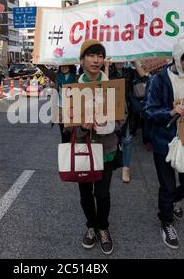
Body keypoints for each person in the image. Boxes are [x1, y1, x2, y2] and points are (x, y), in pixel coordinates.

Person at [145, 35, 184, 250]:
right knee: (167, 185)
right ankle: (166, 221)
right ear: (178, 56)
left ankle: (173, 200)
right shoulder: (159, 79)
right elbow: (149, 111)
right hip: (164, 141)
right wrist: (170, 111)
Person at [72, 39, 123, 255]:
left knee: (102, 194)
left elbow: (122, 119)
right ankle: (91, 226)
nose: (96, 60)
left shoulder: (113, 85)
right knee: (85, 194)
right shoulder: (74, 88)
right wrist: (81, 125)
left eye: (99, 56)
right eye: (91, 55)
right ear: (82, 60)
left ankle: (103, 227)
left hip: (107, 149)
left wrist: (106, 123)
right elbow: (68, 121)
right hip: (83, 149)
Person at [107, 62, 137, 183]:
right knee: (113, 137)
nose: (120, 61)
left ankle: (126, 168)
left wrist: (135, 61)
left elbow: (144, 78)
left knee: (128, 140)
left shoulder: (129, 71)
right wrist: (105, 66)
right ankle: (112, 162)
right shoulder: (108, 69)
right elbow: (104, 84)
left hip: (127, 110)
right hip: (112, 109)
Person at [38, 64, 77, 143]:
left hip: (72, 109)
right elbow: (46, 71)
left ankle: (71, 152)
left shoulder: (77, 78)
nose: (63, 68)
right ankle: (65, 152)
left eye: (66, 66)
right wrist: (38, 62)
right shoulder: (57, 76)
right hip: (59, 109)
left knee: (72, 134)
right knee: (63, 134)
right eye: (62, 66)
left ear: (71, 67)